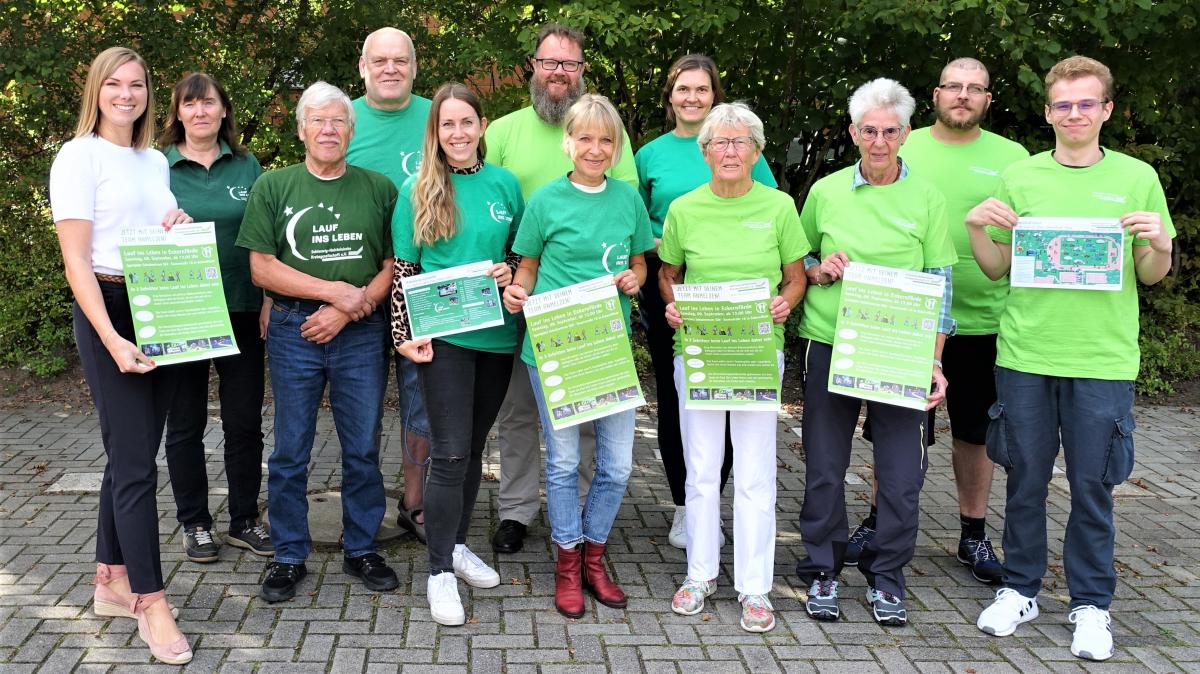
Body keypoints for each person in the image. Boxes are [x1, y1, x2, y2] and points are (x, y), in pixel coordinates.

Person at [968, 56, 1174, 662]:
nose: (1074, 114)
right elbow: (996, 267)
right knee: (1025, 480)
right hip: (1027, 353)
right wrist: (978, 227)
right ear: (1048, 111)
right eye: (1063, 104)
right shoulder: (1020, 177)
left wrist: (1160, 244)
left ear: (1107, 109)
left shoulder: (1138, 178)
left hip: (1103, 359)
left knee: (1093, 486)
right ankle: (1020, 589)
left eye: (1087, 103)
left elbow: (1151, 274)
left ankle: (1091, 605)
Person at [844, 58, 1029, 584]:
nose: (963, 96)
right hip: (903, 323)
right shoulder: (901, 141)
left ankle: (973, 535)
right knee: (895, 430)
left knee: (974, 432)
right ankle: (881, 523)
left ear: (989, 99)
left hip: (985, 319)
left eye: (975, 89)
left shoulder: (1013, 159)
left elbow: (1027, 235)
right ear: (936, 93)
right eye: (954, 86)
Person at [794, 78, 957, 627]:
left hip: (900, 352)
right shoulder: (827, 191)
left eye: (890, 130)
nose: (880, 141)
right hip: (831, 345)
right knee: (824, 467)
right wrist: (818, 269)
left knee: (902, 473)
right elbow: (801, 262)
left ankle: (887, 578)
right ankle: (822, 569)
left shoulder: (929, 197)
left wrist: (934, 360)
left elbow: (940, 285)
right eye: (870, 130)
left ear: (906, 133)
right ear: (853, 133)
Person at [49, 46, 193, 664]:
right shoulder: (77, 156)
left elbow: (149, 227)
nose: (126, 95)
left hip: (161, 301)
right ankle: (151, 602)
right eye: (114, 84)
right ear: (96, 89)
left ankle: (110, 579)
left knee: (132, 453)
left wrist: (175, 224)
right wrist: (111, 338)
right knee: (136, 466)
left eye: (136, 84)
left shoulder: (154, 158)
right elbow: (77, 258)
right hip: (109, 309)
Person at [236, 81, 400, 603]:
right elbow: (261, 267)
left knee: (363, 447)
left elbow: (393, 265)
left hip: (360, 331)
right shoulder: (274, 186)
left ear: (352, 131)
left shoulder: (377, 187)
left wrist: (351, 309)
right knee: (289, 451)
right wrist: (333, 295)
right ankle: (288, 555)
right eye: (319, 121)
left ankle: (361, 548)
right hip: (293, 331)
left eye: (339, 122)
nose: (329, 130)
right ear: (302, 129)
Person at [484, 23, 639, 554]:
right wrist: (513, 285)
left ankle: (577, 522)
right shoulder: (504, 131)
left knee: (588, 423)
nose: (558, 72)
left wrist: (630, 277)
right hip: (523, 291)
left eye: (568, 64)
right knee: (520, 412)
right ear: (533, 66)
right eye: (549, 62)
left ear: (580, 72)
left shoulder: (612, 146)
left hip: (594, 313)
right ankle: (517, 511)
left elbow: (627, 234)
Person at [657, 102, 808, 632]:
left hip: (755, 354)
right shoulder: (684, 208)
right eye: (718, 143)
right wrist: (673, 303)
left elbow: (796, 276)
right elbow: (668, 272)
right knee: (700, 471)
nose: (729, 151)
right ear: (703, 152)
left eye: (740, 142)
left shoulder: (780, 206)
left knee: (755, 473)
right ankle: (699, 575)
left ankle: (755, 587)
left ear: (756, 151)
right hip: (697, 354)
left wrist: (787, 300)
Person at [502, 94, 653, 618]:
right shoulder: (544, 201)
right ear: (568, 142)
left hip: (608, 349)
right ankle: (568, 564)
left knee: (616, 465)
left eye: (605, 140)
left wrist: (636, 278)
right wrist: (518, 292)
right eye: (584, 138)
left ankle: (595, 555)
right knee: (564, 462)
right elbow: (527, 267)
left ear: (616, 148)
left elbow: (639, 265)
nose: (594, 148)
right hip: (553, 349)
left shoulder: (628, 201)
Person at [390, 83, 524, 625]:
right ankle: (439, 572)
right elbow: (404, 270)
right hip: (443, 340)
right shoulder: (416, 188)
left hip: (497, 337)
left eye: (467, 122)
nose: (458, 133)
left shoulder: (505, 184)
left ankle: (458, 544)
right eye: (447, 125)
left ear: (482, 126)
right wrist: (403, 333)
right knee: (447, 453)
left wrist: (510, 270)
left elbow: (522, 253)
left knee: (472, 448)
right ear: (435, 133)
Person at [635, 54, 778, 549]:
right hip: (672, 282)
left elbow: (768, 213)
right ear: (670, 96)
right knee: (679, 399)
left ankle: (716, 497)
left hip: (734, 293)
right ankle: (685, 505)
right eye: (683, 89)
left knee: (734, 393)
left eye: (702, 89)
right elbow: (634, 221)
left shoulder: (737, 144)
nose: (692, 97)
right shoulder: (649, 154)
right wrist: (658, 245)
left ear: (714, 94)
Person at [158, 72, 273, 564]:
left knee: (244, 422)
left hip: (244, 308)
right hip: (182, 312)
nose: (200, 112)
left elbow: (269, 238)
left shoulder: (249, 166)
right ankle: (195, 524)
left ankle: (245, 519)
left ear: (224, 111)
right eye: (190, 105)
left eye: (209, 103)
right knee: (184, 423)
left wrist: (269, 299)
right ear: (177, 113)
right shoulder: (155, 167)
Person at [345, 26, 434, 543]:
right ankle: (364, 503)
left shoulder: (436, 117)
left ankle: (416, 504)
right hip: (357, 289)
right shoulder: (344, 120)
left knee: (420, 400)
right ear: (363, 66)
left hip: (422, 287)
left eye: (400, 60)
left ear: (414, 67)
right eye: (380, 60)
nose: (390, 69)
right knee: (362, 404)